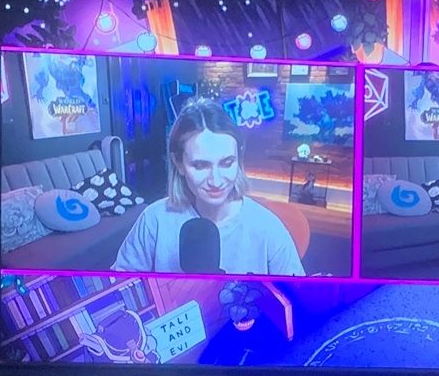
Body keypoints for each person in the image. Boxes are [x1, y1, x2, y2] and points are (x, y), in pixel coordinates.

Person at [113, 100, 304, 276]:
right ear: (178, 163)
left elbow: (298, 301)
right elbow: (119, 287)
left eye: (227, 163)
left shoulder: (268, 228)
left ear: (239, 157)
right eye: (201, 166)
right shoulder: (154, 220)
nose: (216, 181)